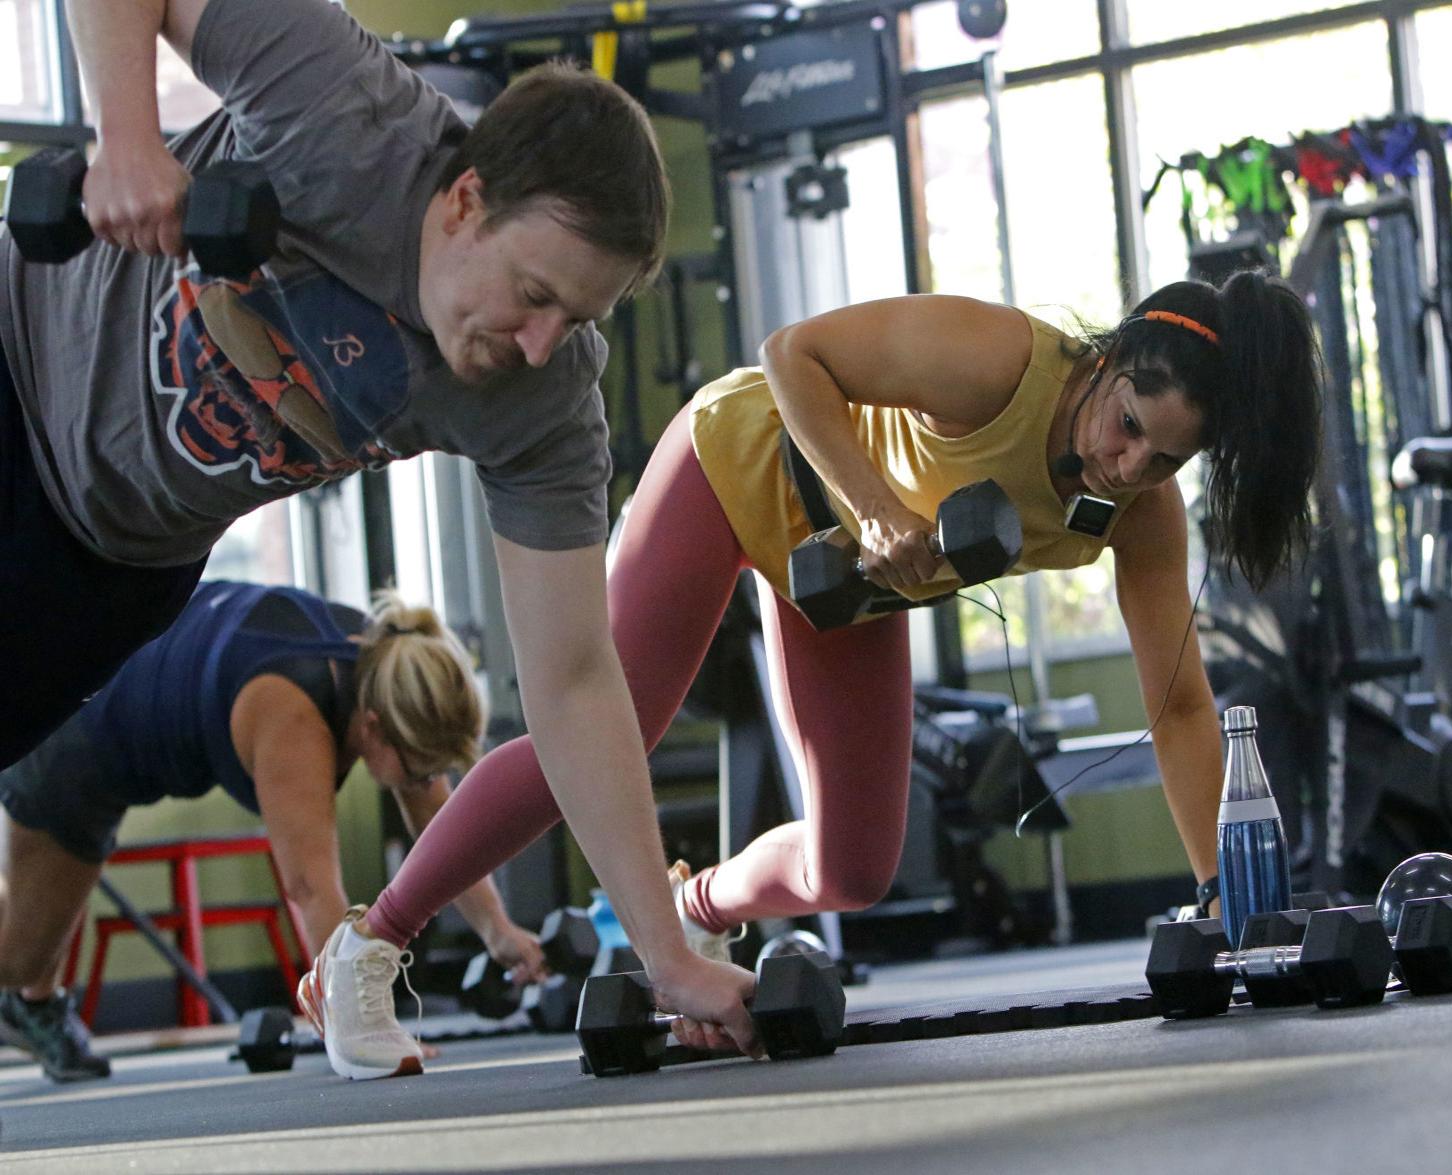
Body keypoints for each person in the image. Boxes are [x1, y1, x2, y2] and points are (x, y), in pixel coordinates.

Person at [309, 270, 1324, 1077]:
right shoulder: (998, 359)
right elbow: (790, 353)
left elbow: (1178, 704)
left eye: (1164, 461)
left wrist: (1218, 897)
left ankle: (695, 906)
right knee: (606, 734)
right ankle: (367, 945)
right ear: (1107, 362)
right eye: (1129, 426)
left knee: (853, 868)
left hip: (847, 579)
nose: (1128, 467)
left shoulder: (1139, 517)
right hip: (743, 463)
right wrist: (876, 506)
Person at [3, 0, 759, 1081]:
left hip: (115, 559)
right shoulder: (343, 105)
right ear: (464, 201)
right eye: (534, 295)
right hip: (16, 361)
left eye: (577, 319)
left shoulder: (544, 401)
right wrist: (125, 138)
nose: (539, 343)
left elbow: (575, 680)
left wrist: (667, 956)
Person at [0, 580, 543, 1082]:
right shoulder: (290, 706)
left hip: (113, 697)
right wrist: (362, 1025)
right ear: (374, 728)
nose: (428, 785)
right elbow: (310, 887)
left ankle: (35, 1004)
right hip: (71, 728)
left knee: (34, 939)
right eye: (421, 772)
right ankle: (31, 1002)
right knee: (19, 958)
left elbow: (439, 826)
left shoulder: (388, 669)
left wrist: (498, 930)